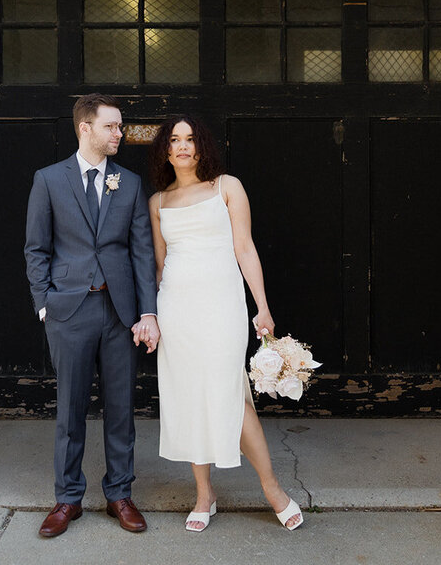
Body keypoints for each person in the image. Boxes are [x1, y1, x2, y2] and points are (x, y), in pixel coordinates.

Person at [147, 115, 304, 532]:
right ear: (166, 148)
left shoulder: (227, 187)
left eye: (191, 139)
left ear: (202, 146)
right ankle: (204, 493)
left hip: (222, 306)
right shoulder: (158, 202)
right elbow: (160, 266)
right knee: (189, 396)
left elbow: (245, 248)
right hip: (177, 310)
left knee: (229, 392)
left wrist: (263, 307)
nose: (183, 146)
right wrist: (153, 317)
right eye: (175, 140)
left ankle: (271, 487)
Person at [24, 94, 161, 538]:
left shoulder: (131, 182)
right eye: (111, 126)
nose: (119, 133)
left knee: (121, 408)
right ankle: (67, 500)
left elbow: (142, 253)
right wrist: (44, 302)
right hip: (68, 310)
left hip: (119, 312)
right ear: (85, 128)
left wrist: (147, 311)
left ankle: (119, 494)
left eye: (120, 127)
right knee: (71, 409)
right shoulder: (48, 179)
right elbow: (36, 248)